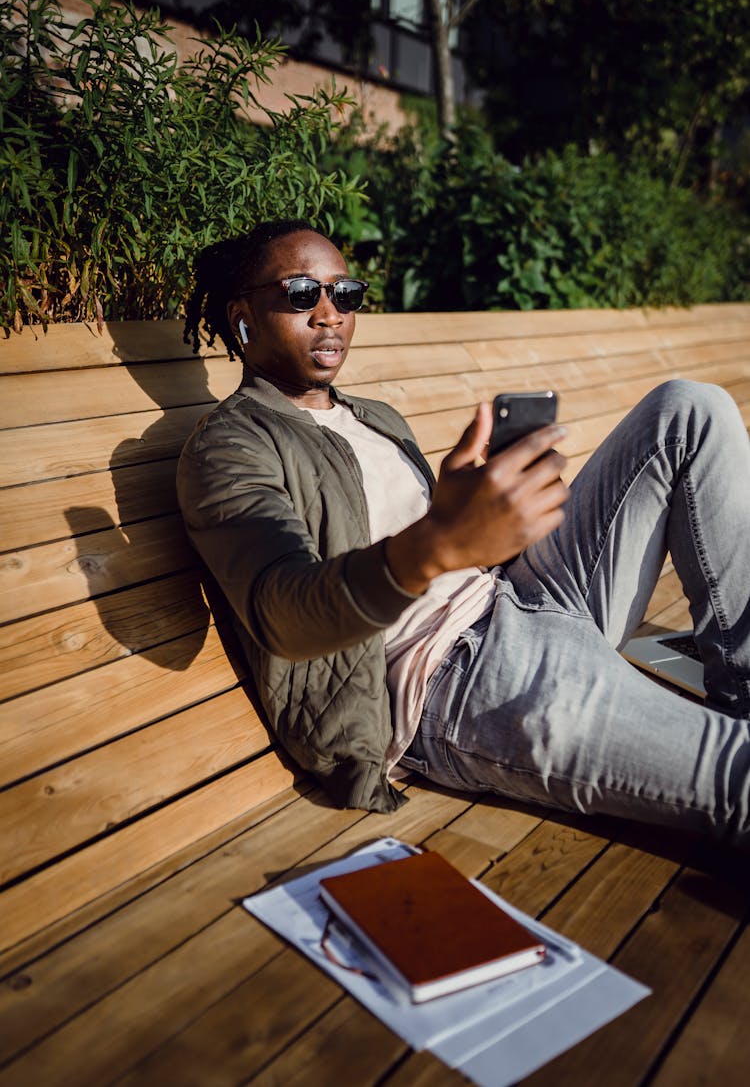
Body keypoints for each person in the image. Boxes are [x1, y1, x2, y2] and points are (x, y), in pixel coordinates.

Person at [177, 218, 750, 846]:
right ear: (243, 316)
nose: (328, 314)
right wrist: (445, 539)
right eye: (299, 294)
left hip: (522, 592)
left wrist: (485, 513)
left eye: (345, 294)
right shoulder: (230, 447)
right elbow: (281, 610)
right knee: (736, 773)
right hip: (455, 673)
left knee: (690, 409)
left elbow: (444, 547)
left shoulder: (375, 417)